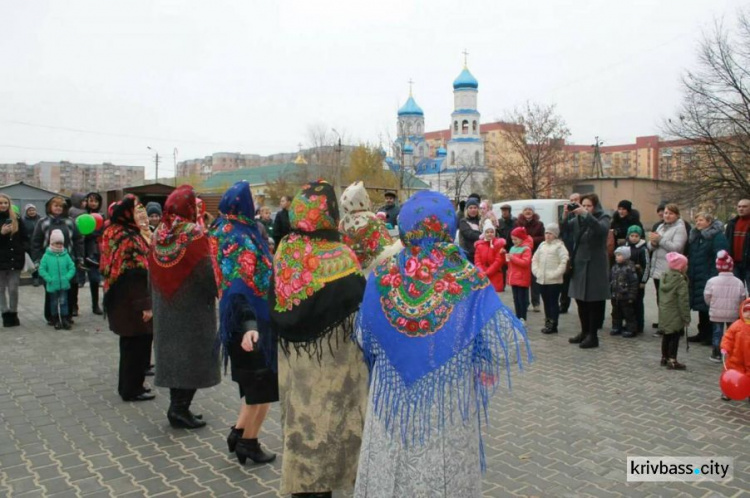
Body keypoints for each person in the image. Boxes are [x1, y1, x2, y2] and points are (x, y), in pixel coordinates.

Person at [354, 190, 530, 498]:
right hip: (446, 412)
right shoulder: (466, 278)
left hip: (390, 411)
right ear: (447, 227)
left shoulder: (382, 274)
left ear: (405, 228)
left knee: (387, 480)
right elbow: (508, 349)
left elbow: (362, 336)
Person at [269, 180, 368, 498]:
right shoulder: (341, 255)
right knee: (331, 425)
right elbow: (358, 298)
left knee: (300, 424)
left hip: (293, 362)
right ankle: (326, 483)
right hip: (333, 366)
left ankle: (302, 483)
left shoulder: (285, 249)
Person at [211, 181, 277, 465]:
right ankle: (249, 443)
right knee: (261, 389)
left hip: (237, 321)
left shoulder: (222, 228)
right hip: (250, 324)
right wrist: (251, 325)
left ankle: (238, 432)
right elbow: (240, 285)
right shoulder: (239, 237)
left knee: (252, 388)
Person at [150, 185, 220, 429]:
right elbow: (206, 272)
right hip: (191, 309)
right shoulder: (193, 232)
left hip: (165, 305)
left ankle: (178, 406)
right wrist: (219, 289)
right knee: (191, 358)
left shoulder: (159, 231)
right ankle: (179, 410)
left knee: (174, 359)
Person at [99, 195, 154, 402]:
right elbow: (136, 277)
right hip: (131, 303)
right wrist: (146, 306)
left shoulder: (112, 231)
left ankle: (131, 386)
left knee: (129, 346)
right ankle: (132, 389)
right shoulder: (129, 238)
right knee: (136, 347)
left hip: (118, 298)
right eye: (135, 210)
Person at [566, 193, 611, 349]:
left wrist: (585, 215)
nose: (585, 208)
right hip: (579, 264)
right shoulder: (578, 219)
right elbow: (564, 227)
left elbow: (600, 230)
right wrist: (566, 214)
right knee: (580, 300)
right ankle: (584, 332)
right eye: (583, 205)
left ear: (595, 206)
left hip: (595, 265)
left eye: (588, 206)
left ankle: (593, 335)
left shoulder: (604, 217)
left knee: (593, 302)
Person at [31, 196, 83, 325]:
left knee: (69, 290)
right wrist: (37, 260)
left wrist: (79, 258)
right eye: (56, 205)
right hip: (49, 263)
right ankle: (51, 316)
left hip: (68, 262)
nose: (58, 208)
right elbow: (36, 242)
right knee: (51, 291)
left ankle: (67, 315)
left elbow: (78, 240)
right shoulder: (42, 222)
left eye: (61, 206)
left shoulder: (70, 222)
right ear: (50, 207)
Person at [339, 181, 401, 275]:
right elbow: (385, 251)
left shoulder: (342, 222)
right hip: (370, 273)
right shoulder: (371, 219)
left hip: (349, 271)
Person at [686, 212, 729, 346]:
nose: (698, 223)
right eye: (697, 220)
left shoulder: (717, 236)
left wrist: (714, 274)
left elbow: (721, 255)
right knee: (700, 305)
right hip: (696, 274)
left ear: (709, 221)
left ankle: (710, 335)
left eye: (701, 220)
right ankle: (702, 332)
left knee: (708, 306)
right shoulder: (696, 235)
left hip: (709, 275)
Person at [648, 204, 688, 334]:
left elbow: (676, 247)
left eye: (670, 213)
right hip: (658, 269)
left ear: (677, 215)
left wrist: (660, 239)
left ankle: (675, 327)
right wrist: (652, 243)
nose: (667, 215)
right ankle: (664, 323)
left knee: (671, 301)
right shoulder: (660, 226)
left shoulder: (680, 228)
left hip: (671, 270)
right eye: (665, 213)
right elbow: (651, 246)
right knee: (661, 300)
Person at [704, 251, 746, 362]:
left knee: (717, 333)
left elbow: (707, 297)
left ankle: (716, 353)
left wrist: (712, 305)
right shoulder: (738, 282)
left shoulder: (712, 281)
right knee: (731, 333)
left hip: (717, 312)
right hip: (733, 313)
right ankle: (731, 352)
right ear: (731, 267)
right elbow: (742, 298)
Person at [532, 223, 569, 334]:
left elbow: (564, 261)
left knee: (553, 303)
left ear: (555, 235)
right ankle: (547, 322)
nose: (547, 235)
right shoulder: (542, 245)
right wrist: (537, 272)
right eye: (546, 233)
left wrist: (555, 274)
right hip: (542, 279)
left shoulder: (559, 246)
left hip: (554, 281)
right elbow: (535, 259)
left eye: (550, 233)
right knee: (546, 303)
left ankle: (553, 324)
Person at [39, 229, 76, 330]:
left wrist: (67, 277)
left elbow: (72, 267)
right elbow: (42, 269)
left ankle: (64, 318)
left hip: (64, 284)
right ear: (52, 243)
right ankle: (55, 319)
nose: (59, 245)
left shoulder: (65, 255)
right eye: (57, 243)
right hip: (52, 284)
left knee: (64, 301)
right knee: (54, 302)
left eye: (61, 243)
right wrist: (48, 279)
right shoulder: (46, 256)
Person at [658, 252, 690, 370]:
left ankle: (664, 357)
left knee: (666, 335)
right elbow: (683, 302)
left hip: (665, 312)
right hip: (675, 313)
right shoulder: (680, 282)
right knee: (674, 336)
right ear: (681, 267)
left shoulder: (664, 277)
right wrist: (686, 317)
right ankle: (672, 360)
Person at [0, 194, 27, 327]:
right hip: (0, 261)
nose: (3, 205)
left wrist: (23, 250)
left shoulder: (16, 218)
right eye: (1, 203)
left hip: (15, 259)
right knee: (0, 289)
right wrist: (2, 233)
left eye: (6, 203)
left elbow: (25, 237)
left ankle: (14, 313)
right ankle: (5, 314)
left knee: (13, 289)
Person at [515, 205, 545, 312]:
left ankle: (536, 303)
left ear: (533, 212)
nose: (528, 211)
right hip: (521, 254)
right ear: (523, 212)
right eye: (526, 210)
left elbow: (543, 237)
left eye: (530, 210)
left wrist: (531, 239)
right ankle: (525, 303)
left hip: (535, 254)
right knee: (523, 279)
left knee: (534, 280)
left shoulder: (539, 224)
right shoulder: (518, 223)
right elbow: (514, 237)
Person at [719, 298, 750, 400]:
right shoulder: (737, 325)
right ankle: (728, 391)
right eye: (746, 312)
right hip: (736, 357)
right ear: (741, 311)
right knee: (732, 373)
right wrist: (725, 347)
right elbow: (728, 337)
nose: (748, 314)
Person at [609, 246, 639, 338]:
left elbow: (634, 283)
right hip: (615, 296)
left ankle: (631, 329)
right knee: (615, 313)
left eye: (619, 255)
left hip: (625, 296)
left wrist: (631, 296)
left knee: (628, 313)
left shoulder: (629, 268)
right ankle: (616, 327)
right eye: (616, 255)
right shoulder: (614, 267)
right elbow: (611, 279)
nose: (616, 257)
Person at [82, 192, 104, 315]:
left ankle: (98, 304)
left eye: (96, 201)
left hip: (98, 249)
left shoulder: (101, 215)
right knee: (87, 279)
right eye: (91, 200)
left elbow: (101, 231)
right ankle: (76, 306)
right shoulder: (82, 215)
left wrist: (89, 234)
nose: (93, 203)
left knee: (97, 278)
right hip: (84, 249)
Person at [626, 226, 650, 334]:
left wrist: (643, 281)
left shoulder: (643, 249)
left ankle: (639, 325)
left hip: (638, 280)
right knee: (628, 303)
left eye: (636, 236)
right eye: (632, 236)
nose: (634, 238)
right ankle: (629, 323)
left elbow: (647, 266)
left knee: (638, 303)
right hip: (627, 281)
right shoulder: (625, 247)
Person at [559, 193, 580, 314]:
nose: (573, 202)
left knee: (577, 281)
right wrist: (565, 215)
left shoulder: (583, 215)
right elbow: (562, 228)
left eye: (576, 200)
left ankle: (580, 305)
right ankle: (563, 304)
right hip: (567, 250)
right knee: (565, 280)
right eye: (571, 200)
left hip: (578, 251)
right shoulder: (568, 215)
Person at [508, 226, 532, 322]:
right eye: (512, 239)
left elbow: (525, 263)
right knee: (516, 299)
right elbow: (510, 264)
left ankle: (523, 318)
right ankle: (518, 317)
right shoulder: (512, 248)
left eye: (516, 239)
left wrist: (512, 258)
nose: (514, 241)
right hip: (514, 277)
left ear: (521, 238)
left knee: (522, 300)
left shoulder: (526, 249)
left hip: (522, 278)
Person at [475, 219, 506, 292]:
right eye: (487, 232)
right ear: (484, 233)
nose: (490, 234)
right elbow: (477, 260)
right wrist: (481, 271)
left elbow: (498, 261)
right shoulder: (479, 246)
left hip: (495, 275)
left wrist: (487, 272)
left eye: (492, 232)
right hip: (482, 275)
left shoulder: (498, 245)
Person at [724, 199, 750, 289]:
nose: (741, 209)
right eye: (739, 207)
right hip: (735, 264)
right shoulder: (732, 224)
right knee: (736, 292)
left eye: (744, 206)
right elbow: (726, 242)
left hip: (748, 264)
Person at [21, 204, 41, 286]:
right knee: (33, 262)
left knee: (43, 261)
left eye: (33, 210)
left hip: (41, 244)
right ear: (26, 212)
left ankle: (44, 277)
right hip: (30, 245)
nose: (32, 212)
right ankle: (35, 278)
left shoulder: (41, 219)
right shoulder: (23, 221)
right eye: (29, 210)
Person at [459, 198, 482, 264]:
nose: (473, 210)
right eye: (470, 208)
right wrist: (481, 235)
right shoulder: (463, 221)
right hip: (469, 254)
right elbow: (468, 234)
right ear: (467, 209)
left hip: (481, 253)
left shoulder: (481, 220)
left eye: (475, 207)